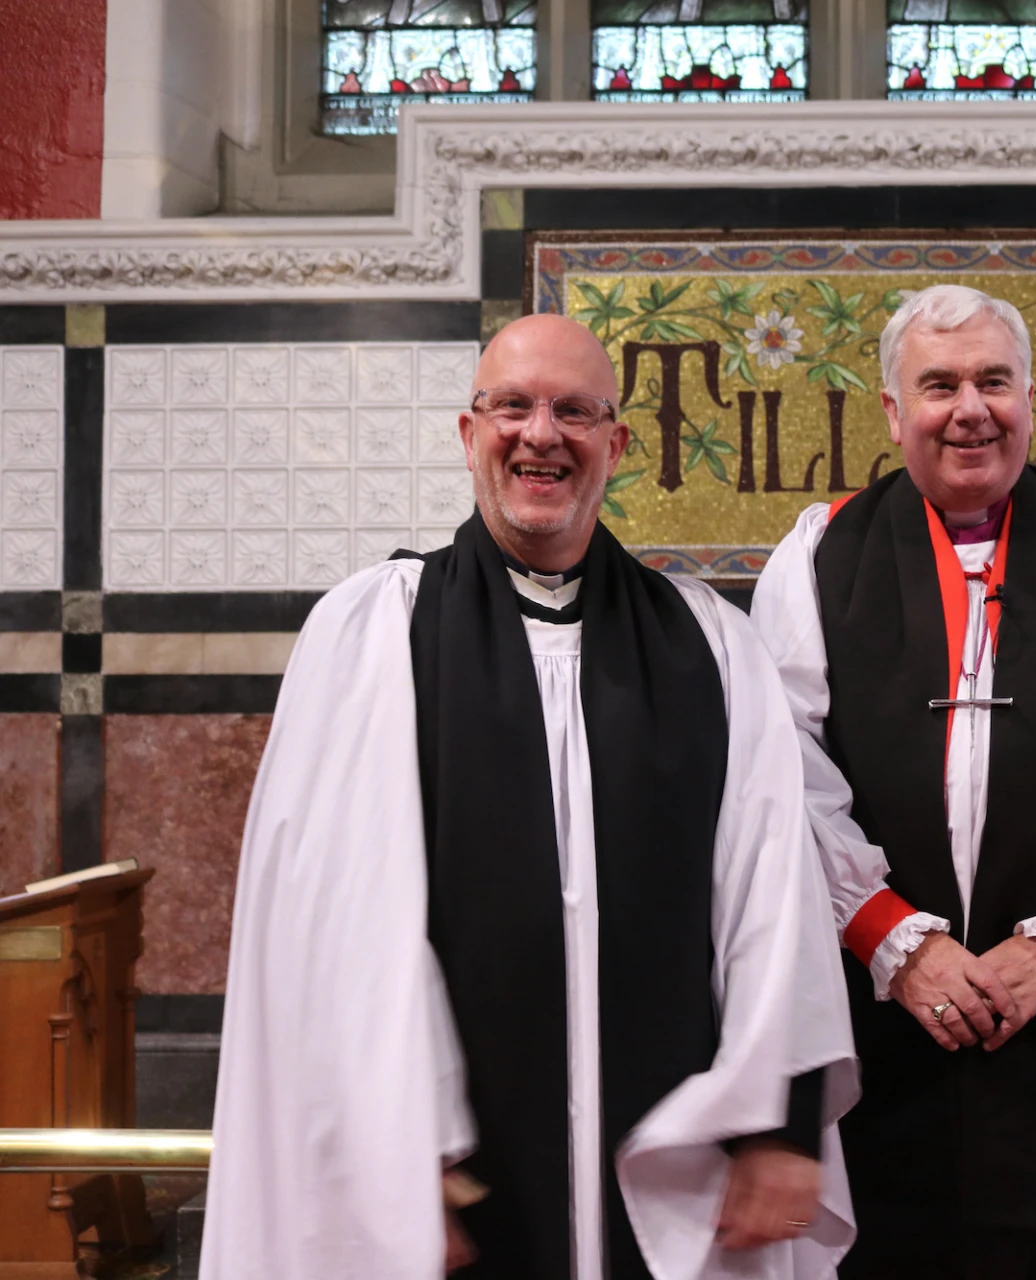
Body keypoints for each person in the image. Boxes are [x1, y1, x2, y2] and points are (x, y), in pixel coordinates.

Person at [201, 314, 858, 1280]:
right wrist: (398, 1146)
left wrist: (781, 1123)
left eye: (575, 412)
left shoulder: (712, 646)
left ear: (616, 445)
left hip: (672, 1160)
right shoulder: (375, 634)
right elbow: (331, 925)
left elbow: (774, 896)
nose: (541, 433)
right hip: (450, 1169)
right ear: (470, 435)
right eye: (512, 406)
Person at [751, 284, 1036, 1278]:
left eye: (993, 381)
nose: (970, 408)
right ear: (890, 410)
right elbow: (779, 771)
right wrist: (890, 938)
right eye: (940, 384)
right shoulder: (819, 554)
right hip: (873, 1014)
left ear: (1030, 399)